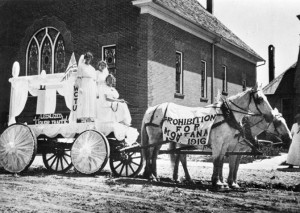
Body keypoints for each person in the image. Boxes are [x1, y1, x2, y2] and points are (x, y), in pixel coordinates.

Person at [75, 52, 97, 122]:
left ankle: (90, 118)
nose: (88, 59)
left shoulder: (92, 68)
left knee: (91, 101)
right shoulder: (81, 66)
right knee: (84, 100)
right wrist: (80, 87)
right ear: (84, 58)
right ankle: (84, 118)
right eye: (87, 58)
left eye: (89, 58)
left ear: (91, 59)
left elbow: (94, 80)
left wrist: (96, 90)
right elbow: (79, 77)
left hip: (91, 86)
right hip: (84, 84)